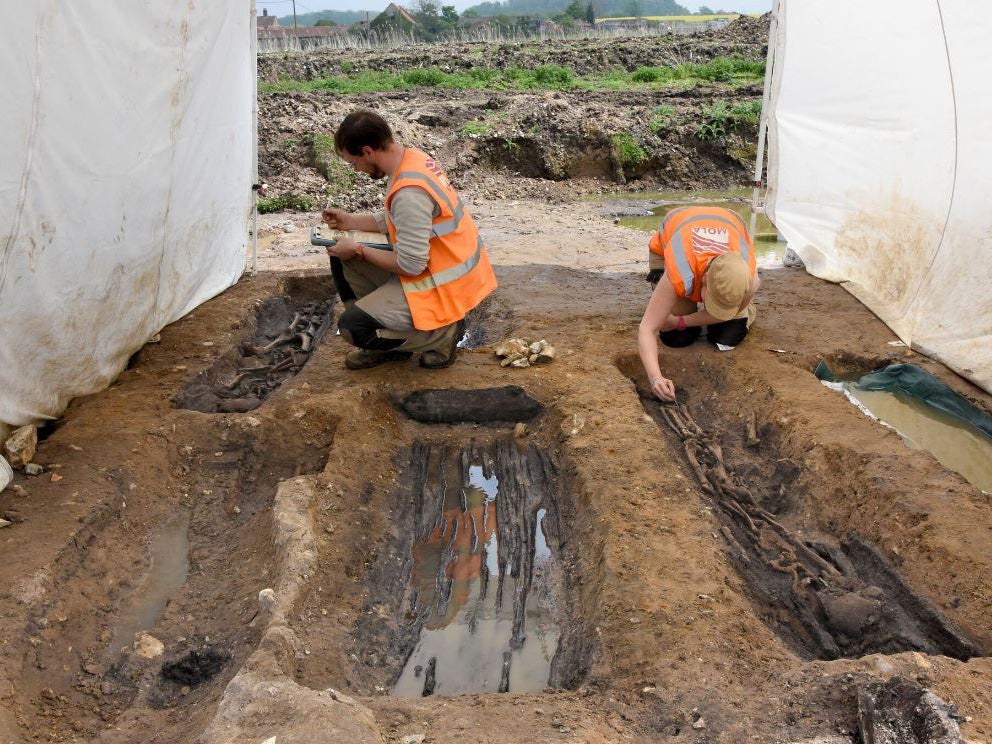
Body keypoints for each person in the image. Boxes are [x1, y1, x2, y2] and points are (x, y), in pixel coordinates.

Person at [322, 109, 497, 370]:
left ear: (368, 151)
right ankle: (393, 338)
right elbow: (400, 221)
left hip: (441, 285)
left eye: (353, 163)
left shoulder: (409, 193)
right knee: (339, 256)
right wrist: (351, 222)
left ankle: (441, 336)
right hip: (442, 270)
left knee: (353, 328)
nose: (356, 170)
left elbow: (411, 265)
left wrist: (359, 248)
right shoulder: (412, 159)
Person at [638, 206, 760, 401]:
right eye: (711, 301)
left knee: (727, 336)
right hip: (675, 232)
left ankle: (747, 311)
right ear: (702, 281)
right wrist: (656, 379)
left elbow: (727, 308)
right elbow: (646, 329)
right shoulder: (680, 271)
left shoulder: (748, 278)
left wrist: (680, 321)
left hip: (729, 219)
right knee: (677, 338)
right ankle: (685, 305)